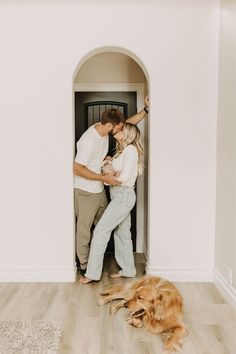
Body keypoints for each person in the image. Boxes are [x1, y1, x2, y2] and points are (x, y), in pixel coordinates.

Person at [74, 98, 149, 276]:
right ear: (109, 126)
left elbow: (129, 125)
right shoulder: (89, 141)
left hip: (105, 191)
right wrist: (104, 175)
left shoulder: (113, 136)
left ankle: (114, 269)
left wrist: (146, 110)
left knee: (109, 229)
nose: (122, 129)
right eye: (119, 128)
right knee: (86, 230)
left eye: (122, 129)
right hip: (85, 190)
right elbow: (76, 168)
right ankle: (85, 266)